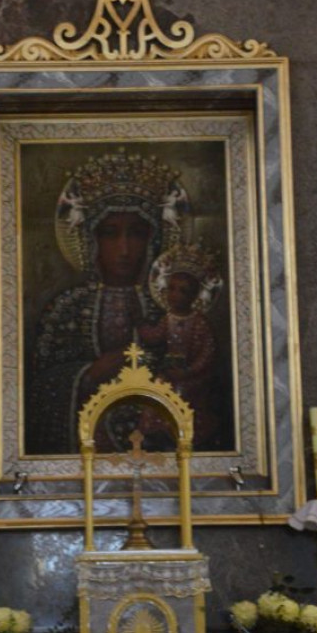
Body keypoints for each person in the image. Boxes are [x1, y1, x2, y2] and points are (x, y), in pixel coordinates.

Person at [26, 149, 189, 455]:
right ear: (91, 240)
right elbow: (38, 391)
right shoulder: (67, 308)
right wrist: (89, 374)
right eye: (110, 234)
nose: (124, 249)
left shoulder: (169, 308)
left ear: (154, 240)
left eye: (136, 234)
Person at [138, 245, 224, 449]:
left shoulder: (199, 323)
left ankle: (182, 435)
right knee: (158, 391)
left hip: (192, 375)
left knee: (181, 393)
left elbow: (208, 352)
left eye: (183, 291)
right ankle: (157, 433)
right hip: (169, 370)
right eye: (171, 289)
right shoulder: (168, 319)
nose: (175, 295)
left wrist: (189, 371)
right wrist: (140, 327)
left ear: (195, 295)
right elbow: (155, 336)